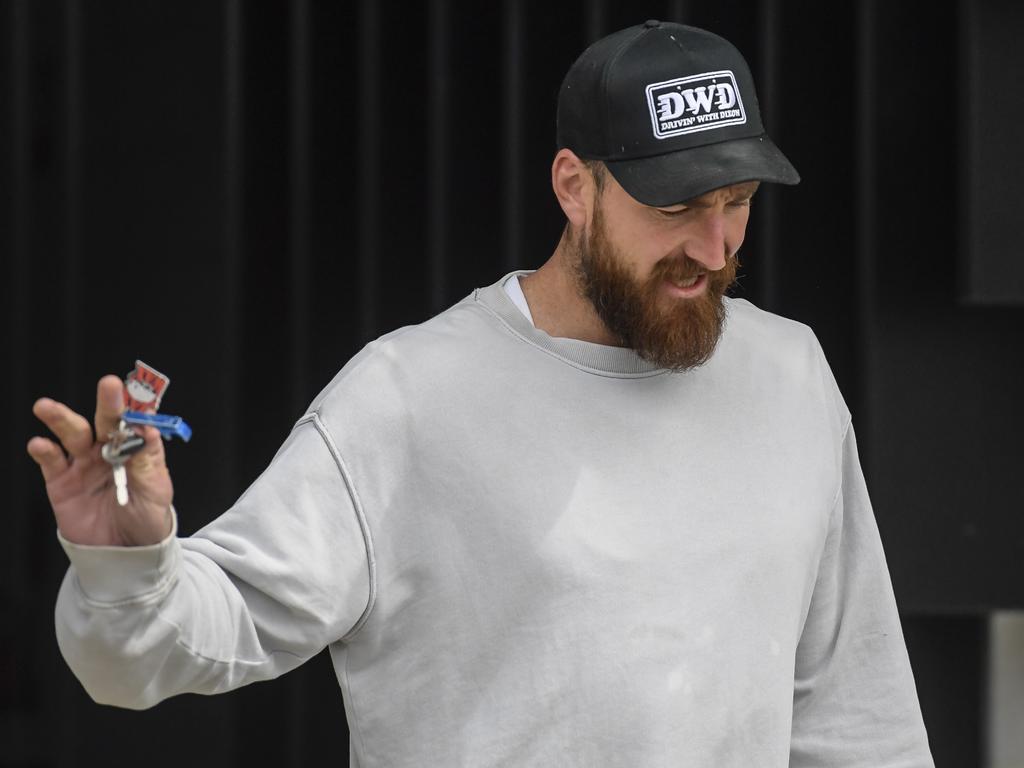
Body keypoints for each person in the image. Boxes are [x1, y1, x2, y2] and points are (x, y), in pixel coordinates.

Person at [29, 20, 934, 767]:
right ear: (574, 186)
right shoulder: (411, 397)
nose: (713, 246)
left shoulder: (790, 374)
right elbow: (158, 654)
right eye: (674, 208)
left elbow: (857, 708)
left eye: (735, 201)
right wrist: (129, 568)